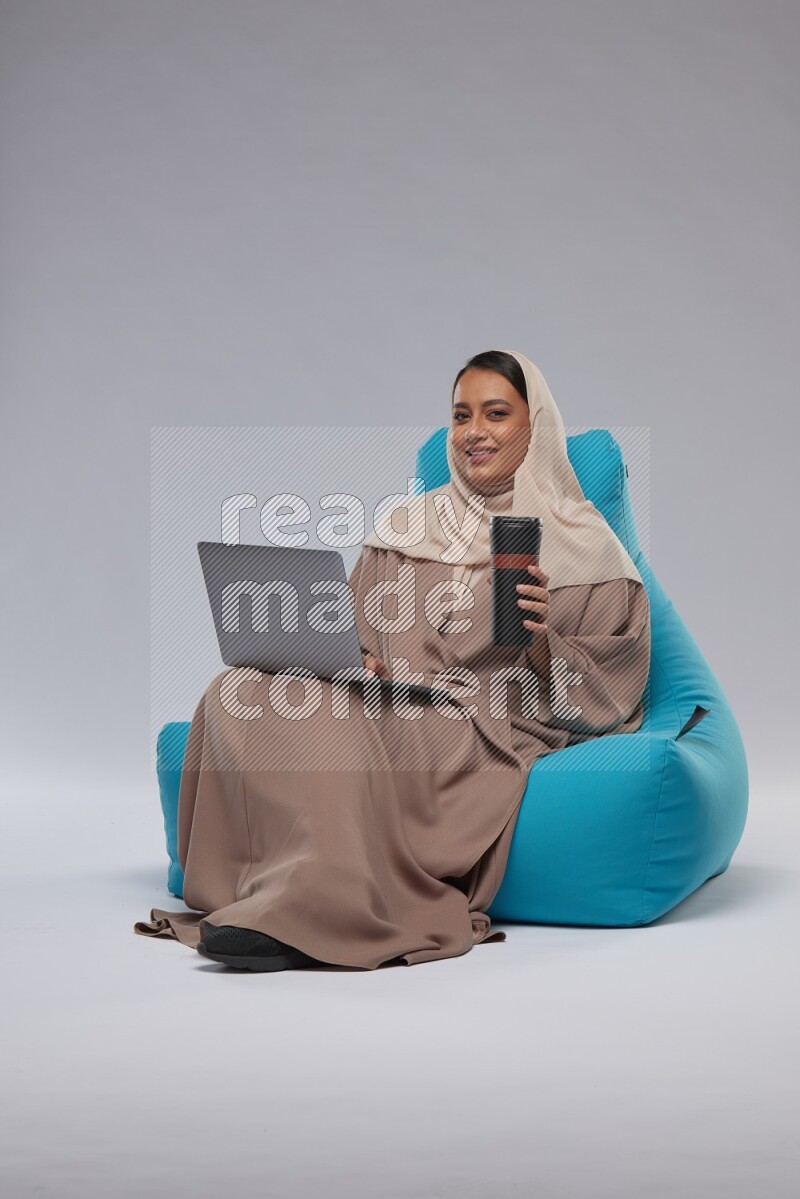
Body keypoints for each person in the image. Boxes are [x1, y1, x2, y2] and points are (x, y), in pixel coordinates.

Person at [134, 349, 651, 971]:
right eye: (461, 416)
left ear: (534, 425)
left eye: (496, 414)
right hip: (385, 699)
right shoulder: (408, 524)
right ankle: (272, 888)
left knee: (335, 724)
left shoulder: (584, 544)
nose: (474, 433)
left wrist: (542, 642)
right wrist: (356, 661)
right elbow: (351, 633)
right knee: (237, 689)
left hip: (479, 726)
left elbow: (611, 698)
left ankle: (314, 909)